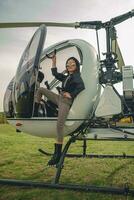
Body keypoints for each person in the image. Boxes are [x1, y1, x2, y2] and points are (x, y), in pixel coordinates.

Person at [34, 52, 85, 165]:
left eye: (72, 64)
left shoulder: (76, 76)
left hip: (66, 102)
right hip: (59, 98)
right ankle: (35, 112)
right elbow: (55, 74)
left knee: (59, 125)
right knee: (41, 90)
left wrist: (71, 94)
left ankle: (57, 154)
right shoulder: (67, 77)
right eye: (68, 64)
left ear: (76, 66)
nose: (70, 65)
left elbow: (81, 86)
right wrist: (53, 60)